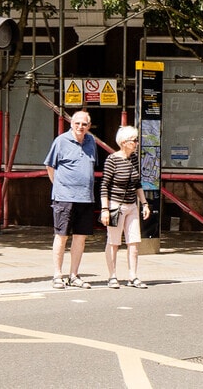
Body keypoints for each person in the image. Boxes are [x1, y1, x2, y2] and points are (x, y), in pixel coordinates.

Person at [45, 111, 98, 289]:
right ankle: (57, 275)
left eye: (84, 124)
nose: (80, 127)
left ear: (88, 126)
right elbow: (50, 166)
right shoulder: (60, 141)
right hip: (64, 198)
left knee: (80, 238)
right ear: (71, 124)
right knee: (61, 236)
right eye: (77, 123)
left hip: (86, 197)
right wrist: (59, 187)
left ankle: (74, 275)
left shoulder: (91, 142)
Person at [100, 126, 151, 288]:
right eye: (134, 140)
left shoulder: (134, 158)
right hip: (116, 205)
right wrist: (105, 209)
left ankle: (133, 276)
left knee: (134, 241)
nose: (136, 143)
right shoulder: (112, 160)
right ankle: (112, 275)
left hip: (132, 205)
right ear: (123, 142)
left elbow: (137, 183)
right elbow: (104, 185)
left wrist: (144, 203)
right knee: (114, 242)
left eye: (136, 140)